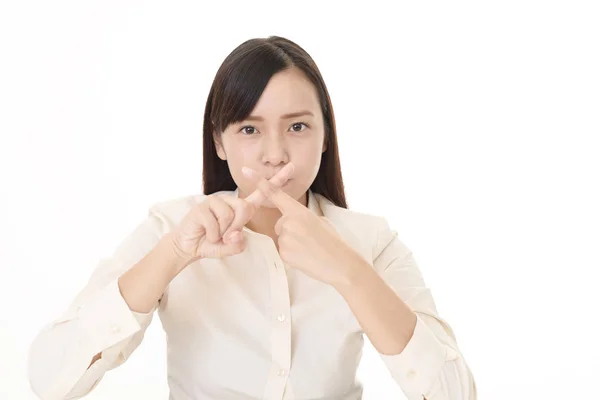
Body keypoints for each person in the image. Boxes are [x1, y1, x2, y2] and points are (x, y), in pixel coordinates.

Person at [27, 36, 477, 400]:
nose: (275, 154)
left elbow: (455, 395)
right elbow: (51, 380)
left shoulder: (370, 240)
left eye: (297, 127)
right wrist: (174, 255)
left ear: (325, 137)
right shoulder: (172, 227)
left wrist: (349, 272)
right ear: (219, 144)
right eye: (249, 129)